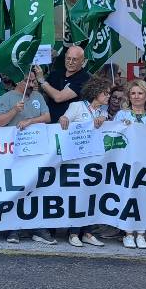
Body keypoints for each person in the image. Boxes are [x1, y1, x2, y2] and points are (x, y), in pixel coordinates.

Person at [0, 72, 53, 245]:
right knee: (16, 189)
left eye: (34, 80)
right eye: (30, 80)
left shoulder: (37, 96)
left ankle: (37, 228)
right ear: (20, 81)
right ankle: (14, 228)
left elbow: (47, 117)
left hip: (35, 151)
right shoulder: (6, 98)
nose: (33, 83)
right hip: (13, 153)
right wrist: (15, 111)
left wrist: (30, 121)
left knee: (36, 188)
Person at [109, 79, 146, 250]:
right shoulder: (122, 115)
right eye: (133, 93)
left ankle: (141, 234)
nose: (136, 96)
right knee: (127, 197)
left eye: (140, 93)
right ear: (129, 96)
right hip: (127, 163)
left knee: (144, 197)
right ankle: (128, 233)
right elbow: (114, 136)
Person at [58, 77, 111, 248]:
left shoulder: (103, 111)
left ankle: (87, 232)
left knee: (92, 196)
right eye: (105, 93)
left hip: (95, 161)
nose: (108, 96)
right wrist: (63, 119)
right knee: (78, 195)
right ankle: (73, 233)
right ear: (96, 93)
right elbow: (64, 119)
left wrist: (104, 119)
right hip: (77, 160)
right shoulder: (77, 106)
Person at [36, 45, 90, 121]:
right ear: (65, 57)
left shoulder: (84, 78)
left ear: (83, 61)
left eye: (75, 60)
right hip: (49, 122)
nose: (70, 62)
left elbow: (59, 98)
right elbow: (40, 92)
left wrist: (42, 81)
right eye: (68, 58)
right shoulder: (55, 74)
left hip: (70, 124)